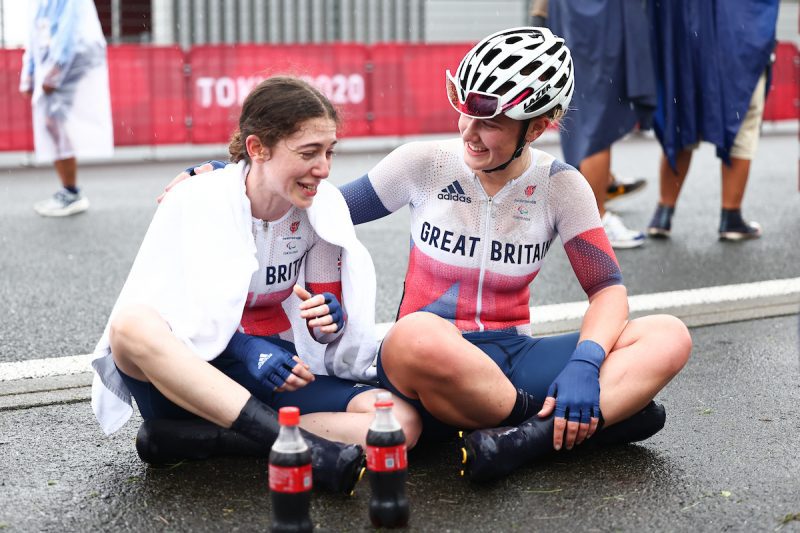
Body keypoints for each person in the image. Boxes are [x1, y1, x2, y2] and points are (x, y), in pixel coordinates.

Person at [177, 28, 692, 482]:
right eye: (464, 111)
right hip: (424, 361)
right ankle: (570, 424)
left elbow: (608, 291)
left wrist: (586, 361)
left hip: (511, 359)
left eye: (490, 122)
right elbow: (320, 207)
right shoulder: (424, 163)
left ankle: (520, 442)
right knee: (417, 333)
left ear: (536, 128)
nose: (468, 132)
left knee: (668, 334)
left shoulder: (563, 187)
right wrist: (228, 175)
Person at [90, 77, 421, 495]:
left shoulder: (321, 209)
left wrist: (330, 317)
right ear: (257, 148)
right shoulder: (199, 198)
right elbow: (167, 309)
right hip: (189, 375)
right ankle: (306, 451)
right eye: (308, 153)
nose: (324, 168)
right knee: (129, 326)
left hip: (272, 371)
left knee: (399, 423)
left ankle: (199, 439)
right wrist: (243, 348)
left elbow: (325, 325)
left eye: (329, 152)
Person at [646, 0, 779, 241]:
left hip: (687, 25)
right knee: (741, 119)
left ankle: (663, 213)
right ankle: (731, 216)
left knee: (683, 115)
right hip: (738, 28)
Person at [548, 0, 656, 249]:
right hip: (597, 17)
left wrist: (540, 14)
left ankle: (597, 188)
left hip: (571, 13)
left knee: (582, 107)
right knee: (596, 119)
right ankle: (597, 219)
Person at [19, 0, 113, 217]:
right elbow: (34, 34)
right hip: (57, 57)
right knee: (52, 122)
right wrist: (30, 74)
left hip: (73, 56)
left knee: (52, 121)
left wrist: (56, 69)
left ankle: (71, 192)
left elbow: (69, 29)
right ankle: (69, 190)